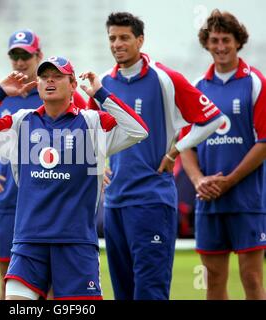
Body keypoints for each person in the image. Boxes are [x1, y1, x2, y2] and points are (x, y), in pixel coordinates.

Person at [0, 56, 149, 300]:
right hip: (29, 242)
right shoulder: (22, 121)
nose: (49, 80)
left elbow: (138, 130)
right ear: (38, 84)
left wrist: (101, 94)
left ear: (73, 84)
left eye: (58, 76)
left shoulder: (92, 123)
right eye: (44, 76)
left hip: (76, 243)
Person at [90, 12, 224, 300]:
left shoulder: (165, 78)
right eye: (112, 38)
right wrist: (98, 164)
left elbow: (212, 119)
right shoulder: (101, 83)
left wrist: (176, 149)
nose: (117, 44)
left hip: (152, 200)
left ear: (140, 40)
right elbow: (91, 132)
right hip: (115, 203)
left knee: (150, 292)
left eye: (124, 37)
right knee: (123, 292)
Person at [0, 29, 86, 299]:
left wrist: (96, 168)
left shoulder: (62, 94)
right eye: (15, 56)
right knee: (10, 281)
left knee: (55, 284)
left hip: (51, 203)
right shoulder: (3, 95)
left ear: (38, 56)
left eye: (26, 56)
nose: (20, 62)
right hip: (8, 200)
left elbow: (92, 133)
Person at [180, 10, 266, 300]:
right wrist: (198, 181)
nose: (220, 46)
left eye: (226, 40)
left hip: (247, 200)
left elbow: (264, 143)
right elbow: (186, 145)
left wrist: (229, 181)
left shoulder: (255, 82)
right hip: (209, 200)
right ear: (206, 43)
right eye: (214, 40)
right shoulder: (196, 88)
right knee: (213, 279)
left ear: (238, 41)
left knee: (252, 279)